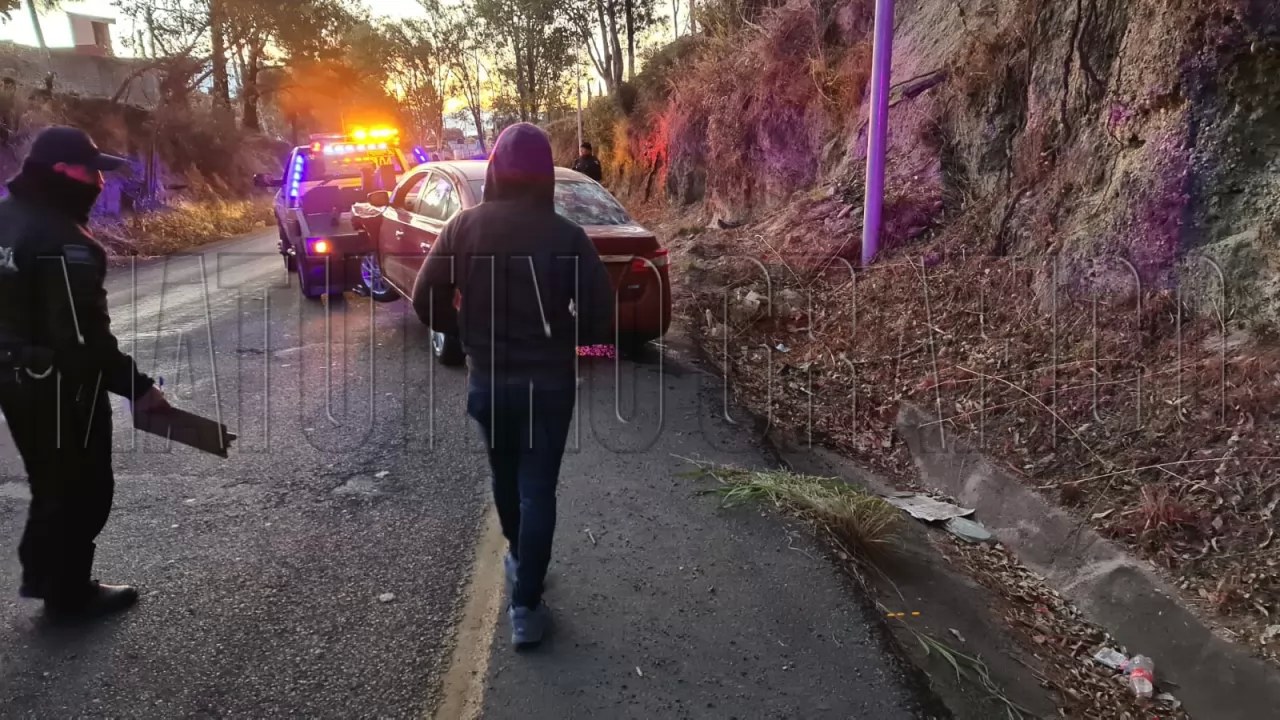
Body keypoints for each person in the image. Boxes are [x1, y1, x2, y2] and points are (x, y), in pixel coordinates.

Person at [414, 123, 614, 648]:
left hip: (490, 383)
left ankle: (521, 559)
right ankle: (526, 606)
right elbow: (601, 319)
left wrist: (466, 334)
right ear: (546, 174)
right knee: (538, 489)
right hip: (549, 388)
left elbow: (424, 299)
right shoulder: (567, 236)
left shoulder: (462, 228)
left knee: (505, 479)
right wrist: (578, 348)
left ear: (496, 171)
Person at [0, 126, 170, 619]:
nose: (99, 181)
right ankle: (68, 593)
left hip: (13, 377)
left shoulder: (4, 218)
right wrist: (138, 388)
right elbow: (82, 339)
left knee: (49, 480)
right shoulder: (67, 242)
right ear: (62, 171)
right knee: (82, 486)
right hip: (58, 384)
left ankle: (46, 578)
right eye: (91, 171)